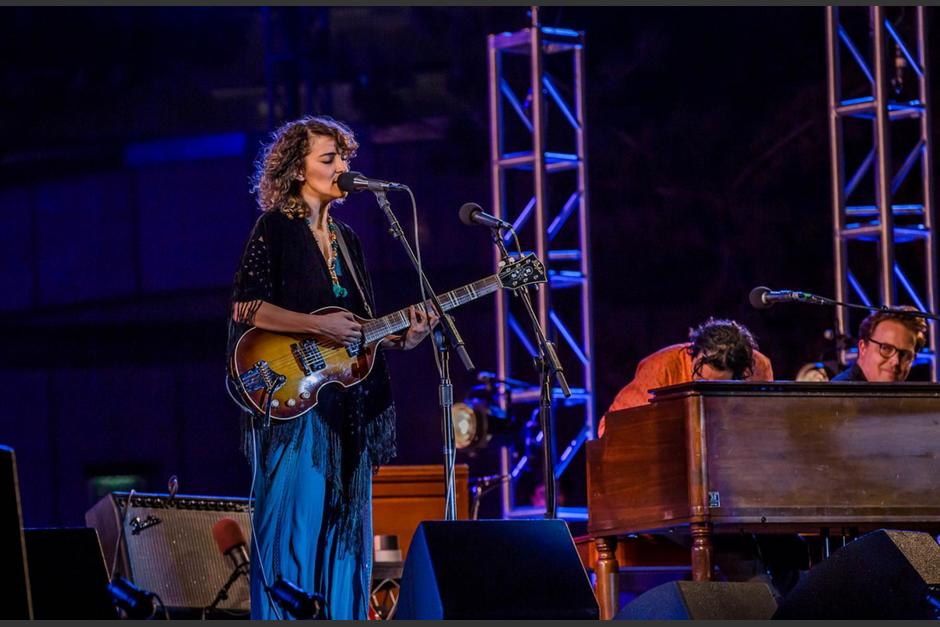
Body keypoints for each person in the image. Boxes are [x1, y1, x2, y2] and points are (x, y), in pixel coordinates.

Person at [227, 115, 436, 619]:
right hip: (296, 404)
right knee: (295, 533)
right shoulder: (275, 228)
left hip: (349, 408)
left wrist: (405, 337)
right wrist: (315, 326)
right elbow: (246, 308)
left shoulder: (349, 240)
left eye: (344, 158)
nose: (342, 168)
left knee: (349, 538)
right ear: (297, 169)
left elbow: (359, 334)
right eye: (329, 159)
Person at [597, 317, 774, 437]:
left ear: (742, 373)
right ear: (693, 352)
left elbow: (763, 430)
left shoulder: (759, 367)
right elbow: (609, 430)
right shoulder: (661, 368)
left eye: (718, 386)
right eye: (702, 382)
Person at [831, 306, 927, 382]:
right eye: (886, 348)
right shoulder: (838, 398)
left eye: (905, 354)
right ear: (863, 347)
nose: (896, 361)